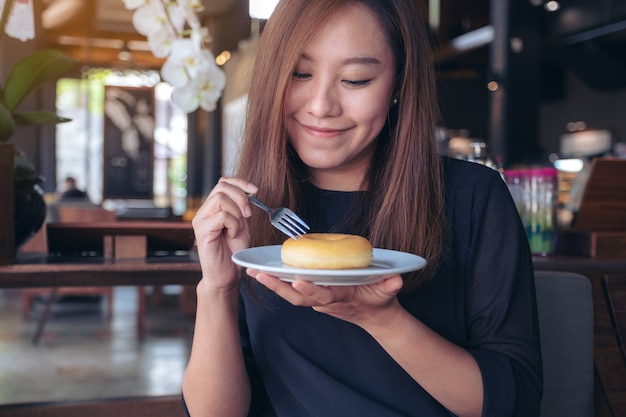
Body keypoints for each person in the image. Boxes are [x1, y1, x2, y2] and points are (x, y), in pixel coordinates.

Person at [182, 1, 542, 416]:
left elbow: (515, 403)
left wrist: (383, 320)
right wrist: (217, 288)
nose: (320, 105)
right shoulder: (254, 212)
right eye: (300, 73)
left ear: (399, 85)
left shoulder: (472, 196)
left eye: (355, 79)